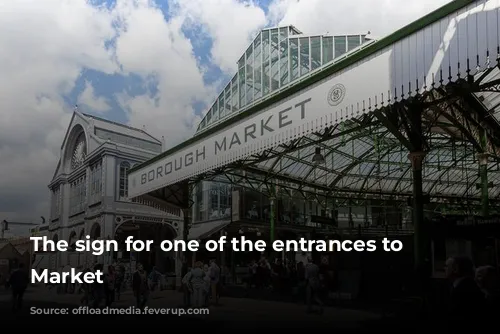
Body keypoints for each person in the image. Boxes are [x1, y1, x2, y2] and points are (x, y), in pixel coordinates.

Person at [445, 256, 485, 323]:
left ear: (455, 269)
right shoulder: (465, 286)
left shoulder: (466, 290)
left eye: (446, 266)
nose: (444, 269)